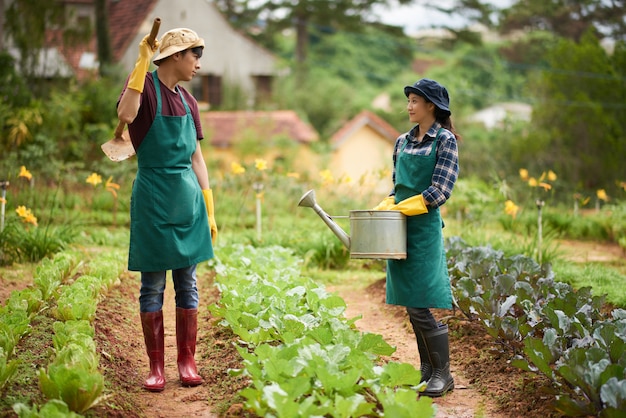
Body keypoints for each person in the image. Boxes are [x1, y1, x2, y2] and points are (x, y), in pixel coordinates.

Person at [117, 27, 218, 392]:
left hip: (188, 200)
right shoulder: (144, 90)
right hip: (153, 197)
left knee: (187, 284)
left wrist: (209, 207)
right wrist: (139, 68)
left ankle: (186, 362)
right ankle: (156, 368)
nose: (199, 65)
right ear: (175, 56)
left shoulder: (190, 103)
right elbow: (126, 115)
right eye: (195, 56)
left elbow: (197, 158)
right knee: (153, 286)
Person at [373, 78, 459, 397]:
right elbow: (398, 185)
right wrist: (389, 202)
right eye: (408, 100)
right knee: (410, 304)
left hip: (423, 231)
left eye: (414, 101)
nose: (408, 106)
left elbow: (440, 190)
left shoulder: (445, 140)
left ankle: (443, 374)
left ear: (431, 106)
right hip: (398, 229)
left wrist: (406, 205)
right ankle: (427, 370)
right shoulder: (401, 142)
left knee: (420, 303)